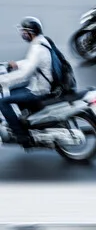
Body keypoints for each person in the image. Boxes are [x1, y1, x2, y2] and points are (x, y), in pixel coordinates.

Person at [0, 18, 55, 148]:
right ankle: (26, 119)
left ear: (31, 33)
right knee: (12, 91)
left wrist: (2, 80)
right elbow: (31, 63)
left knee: (3, 101)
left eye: (24, 32)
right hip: (39, 82)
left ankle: (21, 135)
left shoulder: (37, 49)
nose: (22, 34)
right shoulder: (41, 42)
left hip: (39, 89)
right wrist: (14, 65)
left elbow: (25, 74)